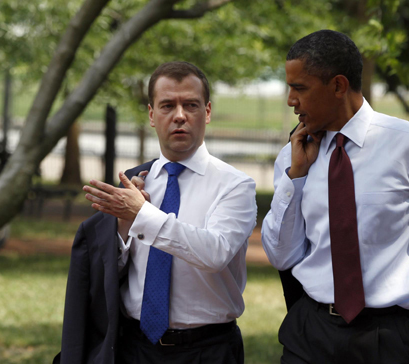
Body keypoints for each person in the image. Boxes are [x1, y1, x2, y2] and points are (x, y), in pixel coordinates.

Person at [261, 30, 409, 364]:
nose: (290, 100)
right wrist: (295, 178)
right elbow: (282, 255)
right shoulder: (294, 155)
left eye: (299, 88)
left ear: (338, 86)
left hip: (391, 340)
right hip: (310, 334)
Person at [54, 61, 257, 364]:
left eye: (190, 105)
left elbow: (215, 253)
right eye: (167, 106)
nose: (179, 116)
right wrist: (123, 228)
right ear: (151, 115)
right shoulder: (135, 182)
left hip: (207, 350)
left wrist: (142, 216)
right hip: (133, 347)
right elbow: (109, 272)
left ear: (208, 111)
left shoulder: (235, 186)